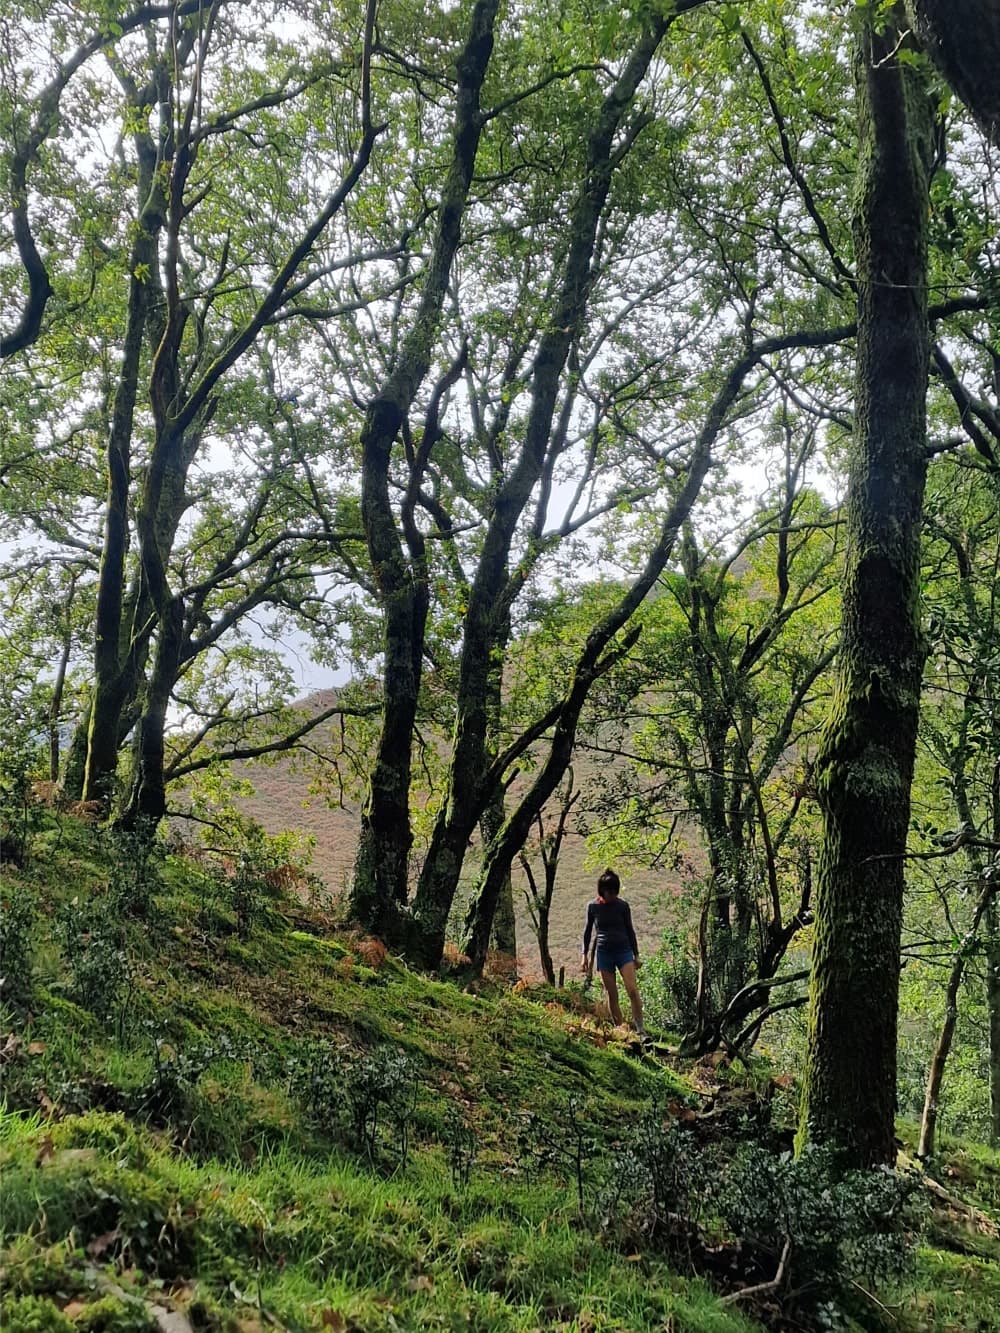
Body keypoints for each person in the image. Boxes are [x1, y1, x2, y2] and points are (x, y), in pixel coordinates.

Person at [581, 868, 646, 1038]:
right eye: (609, 892)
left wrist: (636, 955)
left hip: (624, 951)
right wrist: (584, 955)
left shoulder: (622, 906)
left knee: (632, 990)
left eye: (614, 892)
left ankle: (640, 1029)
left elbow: (630, 930)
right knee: (612, 993)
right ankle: (621, 1029)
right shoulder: (593, 907)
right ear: (602, 891)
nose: (612, 895)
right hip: (604, 953)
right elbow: (587, 932)